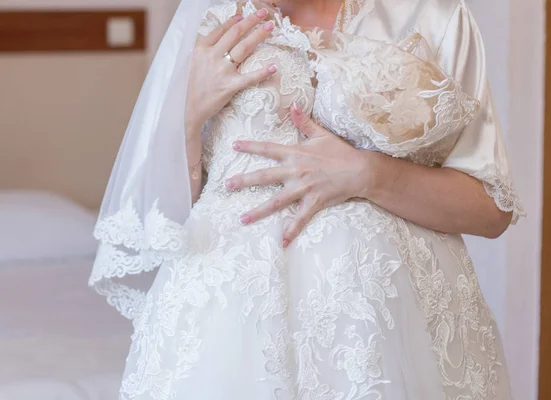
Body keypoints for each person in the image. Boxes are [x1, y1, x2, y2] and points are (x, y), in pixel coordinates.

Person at [90, 0, 525, 398]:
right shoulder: (214, 19)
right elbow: (158, 218)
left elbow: (491, 209)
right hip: (230, 330)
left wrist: (369, 174)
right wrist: (187, 119)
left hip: (394, 330)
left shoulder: (433, 15)